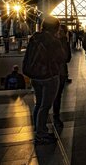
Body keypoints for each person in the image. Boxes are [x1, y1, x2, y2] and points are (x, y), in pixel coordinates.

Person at [23, 16, 66, 145]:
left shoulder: (34, 38)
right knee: (45, 106)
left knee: (38, 104)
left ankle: (38, 129)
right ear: (56, 27)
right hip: (49, 77)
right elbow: (62, 58)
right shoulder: (53, 41)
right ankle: (41, 134)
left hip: (35, 76)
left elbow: (28, 56)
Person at [52, 24, 72, 128]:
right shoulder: (63, 41)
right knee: (57, 96)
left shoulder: (47, 40)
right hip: (59, 72)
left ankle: (39, 127)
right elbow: (67, 58)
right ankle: (56, 117)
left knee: (42, 101)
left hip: (46, 73)